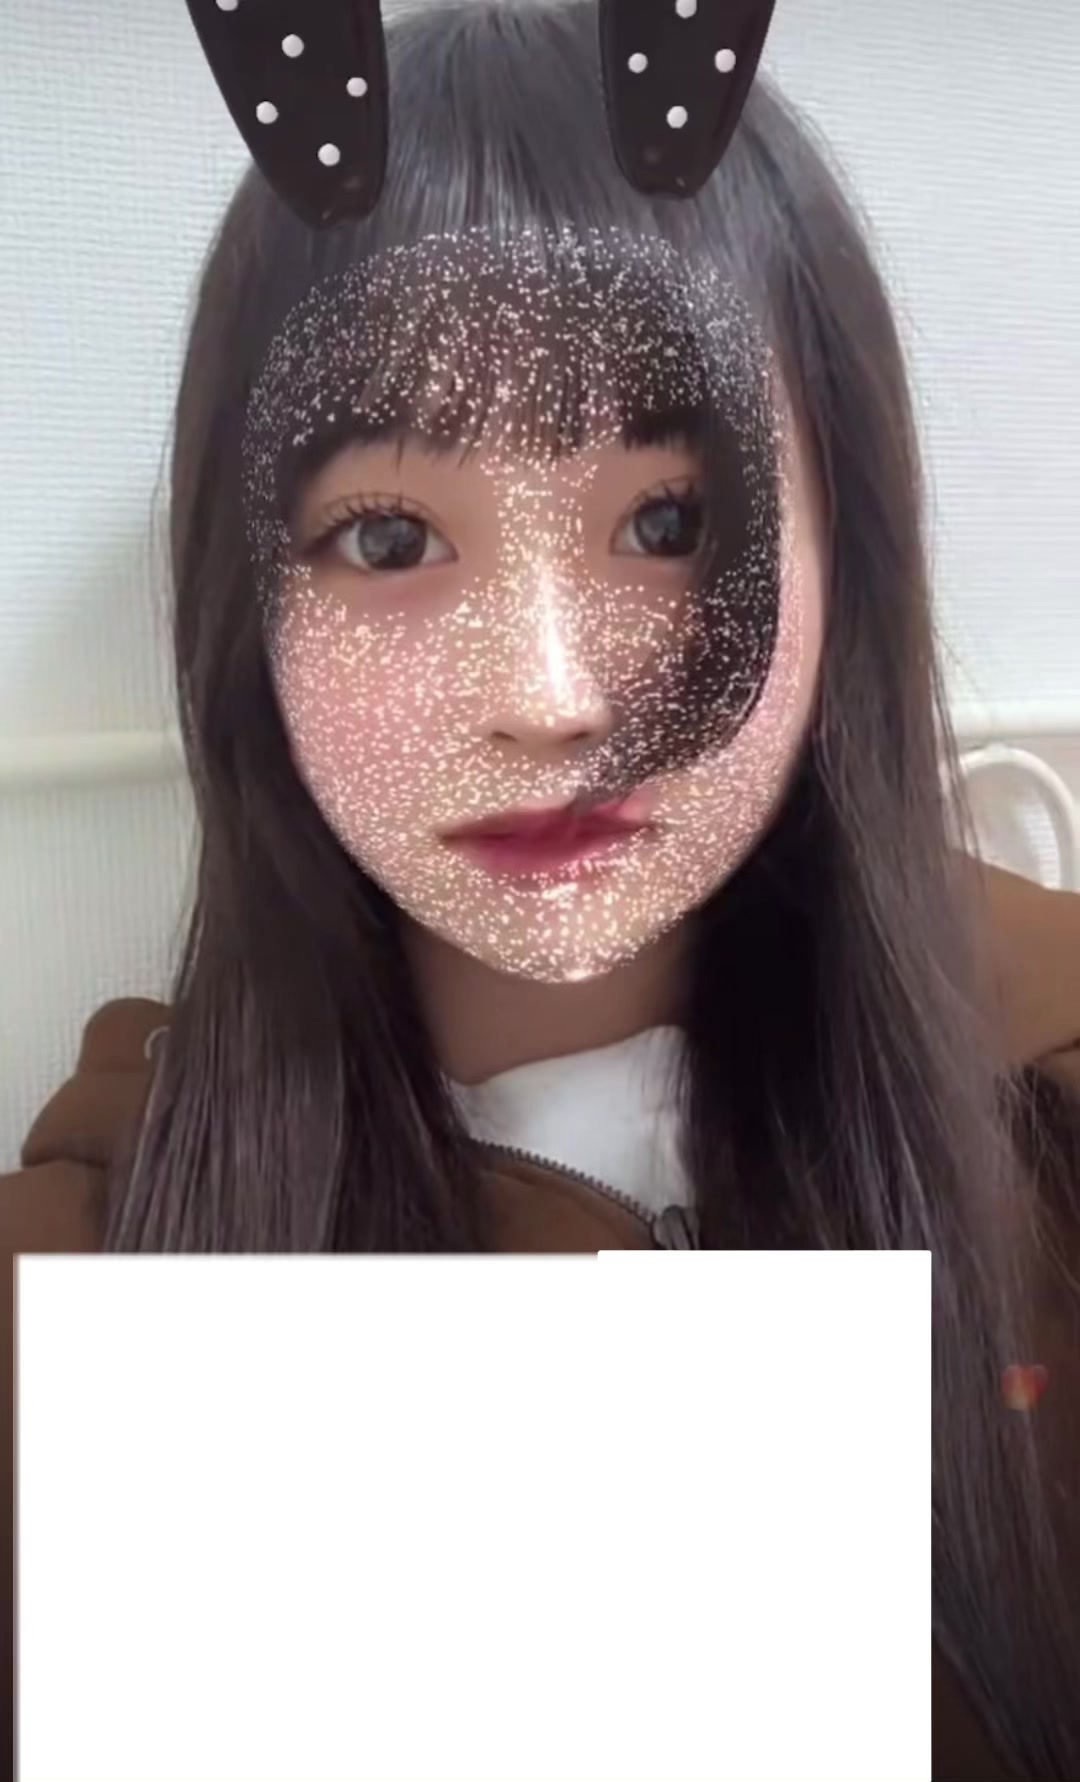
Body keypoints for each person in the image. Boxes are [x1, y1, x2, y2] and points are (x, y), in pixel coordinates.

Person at [3, 2, 1080, 1775]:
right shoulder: (81, 1296)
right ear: (245, 606)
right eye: (389, 538)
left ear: (851, 547)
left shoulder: (1051, 1122)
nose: (552, 695)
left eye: (670, 524)